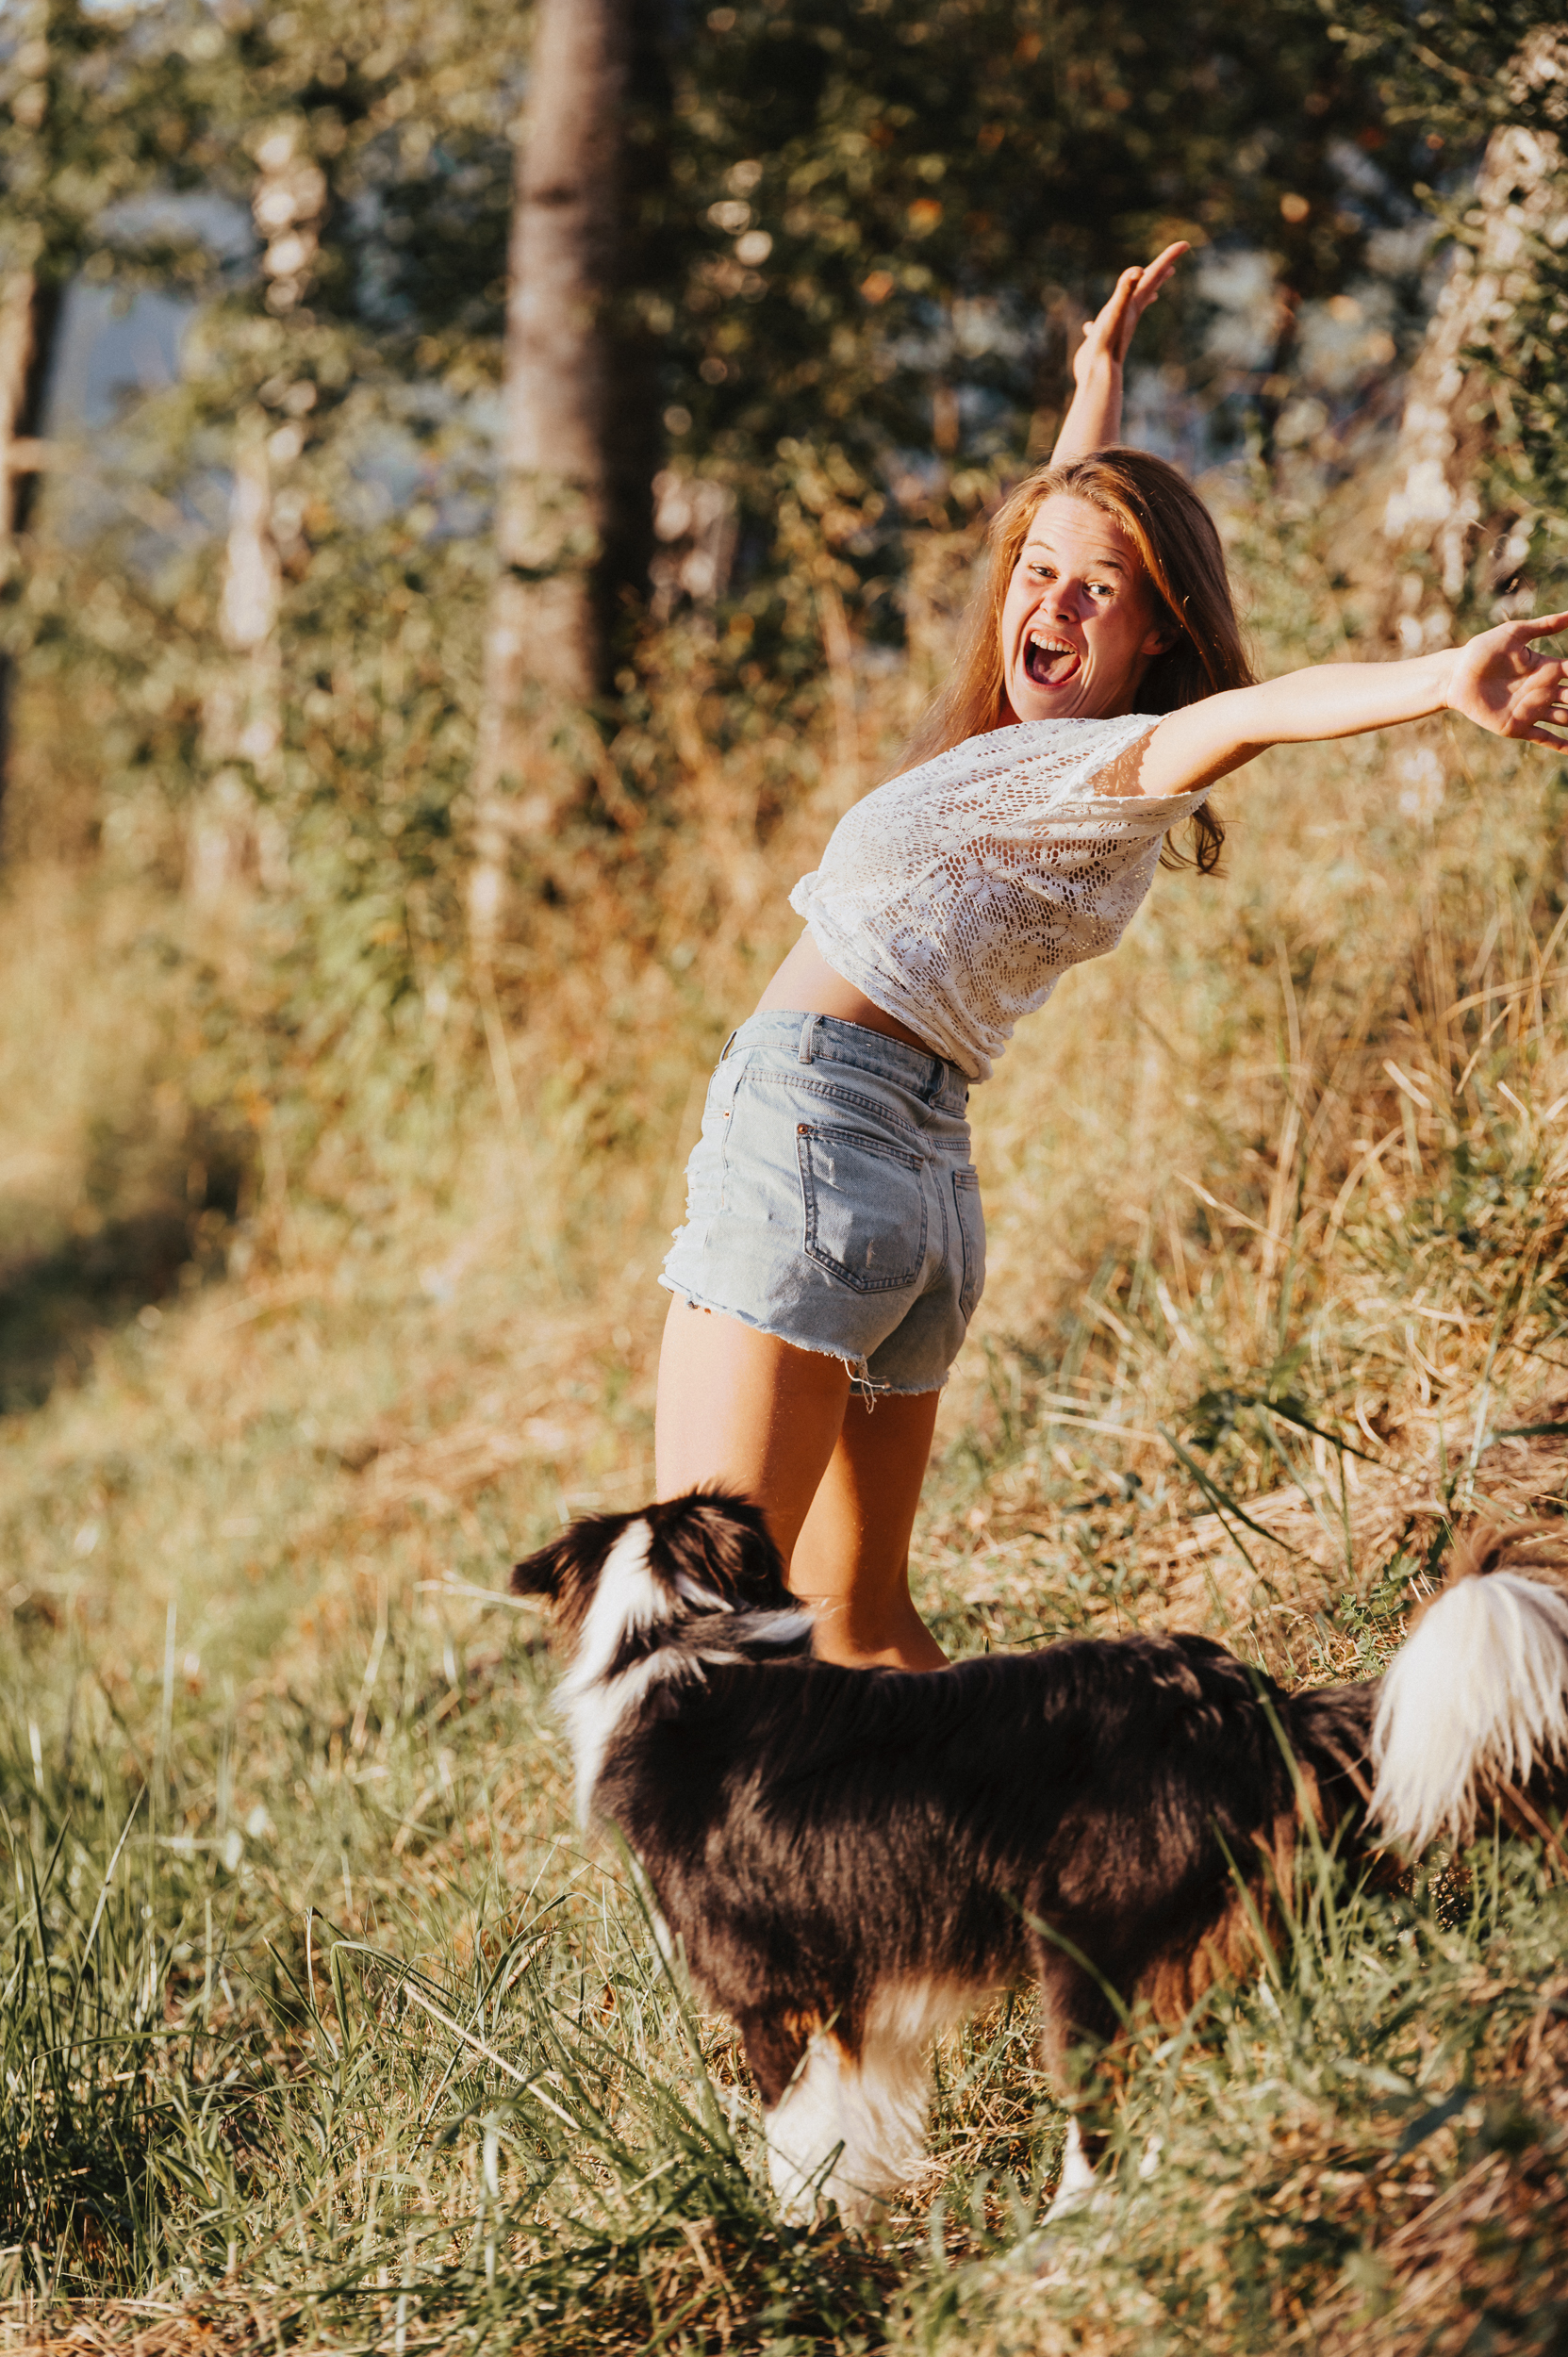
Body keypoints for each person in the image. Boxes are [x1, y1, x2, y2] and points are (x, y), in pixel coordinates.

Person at [653, 247, 1568, 1672]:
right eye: (1039, 577)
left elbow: (1260, 708)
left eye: (1101, 594)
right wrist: (1097, 394)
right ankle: (983, 1889)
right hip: (914, 1189)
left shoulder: (1109, 764)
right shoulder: (1031, 766)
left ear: (1158, 637)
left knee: (687, 1624)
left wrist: (1438, 680)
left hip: (819, 1143)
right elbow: (1057, 545)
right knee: (860, 1622)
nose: (1054, 606)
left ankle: (717, 1907)